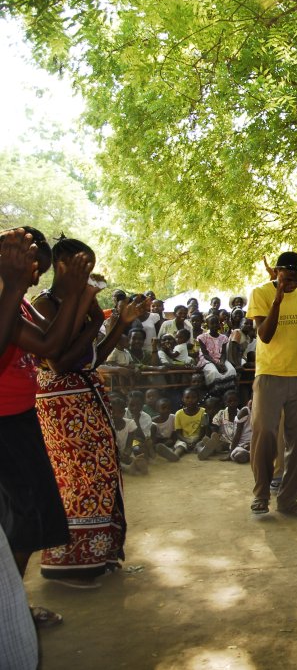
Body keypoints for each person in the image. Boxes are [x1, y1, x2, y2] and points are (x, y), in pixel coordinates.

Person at [33, 237, 145, 588]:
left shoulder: (78, 305)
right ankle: (68, 563)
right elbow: (60, 363)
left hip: (87, 398)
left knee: (102, 475)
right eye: (85, 267)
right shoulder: (45, 304)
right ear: (63, 265)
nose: (90, 275)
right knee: (79, 480)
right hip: (63, 405)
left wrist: (118, 323)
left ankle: (97, 554)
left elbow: (90, 358)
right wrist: (88, 307)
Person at [0, 228, 55, 657]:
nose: (35, 276)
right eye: (32, 264)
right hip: (4, 422)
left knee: (27, 522)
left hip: (19, 416)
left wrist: (78, 298)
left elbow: (54, 346)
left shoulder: (16, 298)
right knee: (20, 522)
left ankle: (13, 605)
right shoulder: (10, 292)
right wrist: (15, 283)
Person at [246, 251, 297, 516]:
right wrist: (278, 300)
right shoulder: (260, 293)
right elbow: (265, 335)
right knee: (265, 433)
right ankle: (261, 493)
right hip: (269, 374)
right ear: (277, 272)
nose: (292, 282)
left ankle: (289, 499)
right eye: (287, 277)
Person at [195, 314, 237, 398]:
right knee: (214, 372)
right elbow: (205, 354)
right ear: (208, 325)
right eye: (212, 323)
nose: (214, 325)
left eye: (216, 323)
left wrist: (221, 362)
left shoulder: (224, 337)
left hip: (220, 359)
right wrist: (216, 364)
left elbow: (224, 353)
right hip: (207, 360)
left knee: (232, 370)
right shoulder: (202, 337)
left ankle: (228, 393)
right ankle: (215, 394)